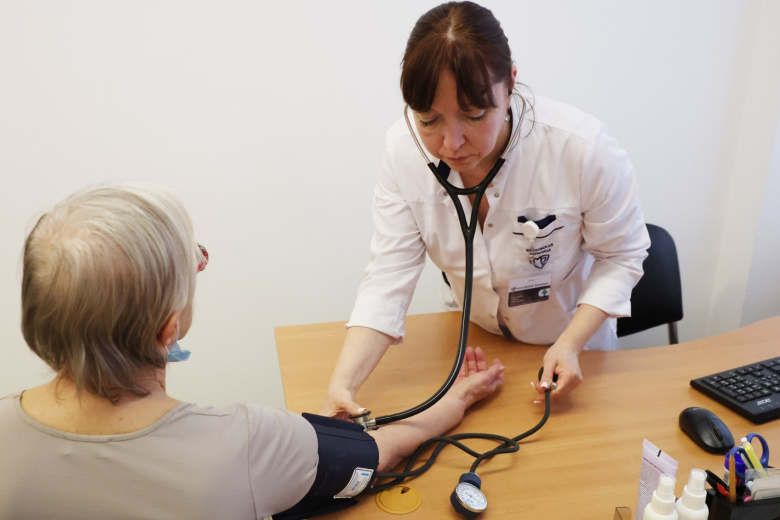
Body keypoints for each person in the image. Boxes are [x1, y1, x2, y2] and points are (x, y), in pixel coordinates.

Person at [0, 182, 504, 520]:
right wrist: (455, 400)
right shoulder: (244, 442)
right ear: (167, 329)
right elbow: (377, 454)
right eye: (194, 264)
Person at [320, 1, 650, 421]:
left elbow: (621, 256)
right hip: (478, 345)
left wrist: (570, 343)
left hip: (570, 349)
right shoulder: (403, 154)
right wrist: (342, 385)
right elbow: (387, 278)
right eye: (429, 120)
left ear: (509, 85)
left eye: (473, 115)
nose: (451, 143)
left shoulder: (582, 149)